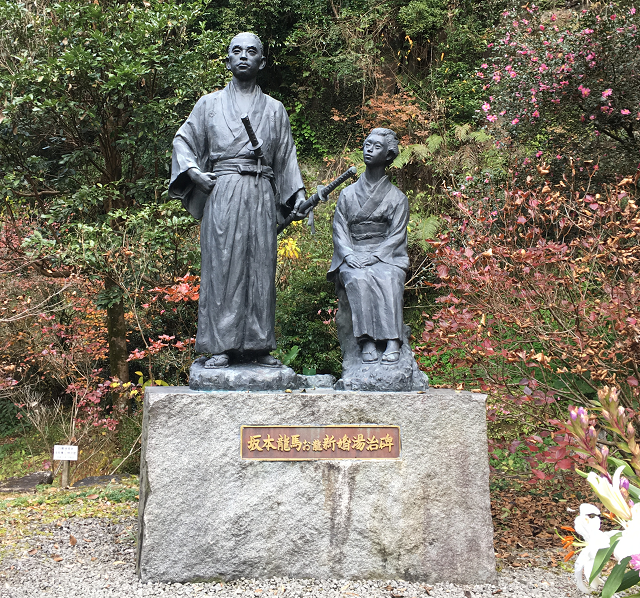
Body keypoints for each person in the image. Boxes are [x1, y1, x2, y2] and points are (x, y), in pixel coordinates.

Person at [168, 33, 306, 369]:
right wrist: (194, 173)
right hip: (224, 190)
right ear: (228, 60)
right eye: (237, 51)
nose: (244, 55)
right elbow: (182, 141)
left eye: (252, 51)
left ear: (262, 61)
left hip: (261, 192)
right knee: (223, 266)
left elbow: (286, 157)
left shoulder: (274, 109)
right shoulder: (208, 104)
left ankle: (258, 346)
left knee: (261, 267)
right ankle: (221, 345)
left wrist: (298, 196)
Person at [328, 128, 409, 364]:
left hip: (385, 256)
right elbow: (339, 228)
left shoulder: (397, 197)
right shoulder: (347, 194)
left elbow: (397, 235)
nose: (369, 150)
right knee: (358, 278)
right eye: (367, 145)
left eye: (376, 146)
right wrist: (348, 255)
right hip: (354, 253)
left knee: (389, 278)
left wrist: (374, 256)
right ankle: (367, 341)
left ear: (388, 155)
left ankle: (393, 340)